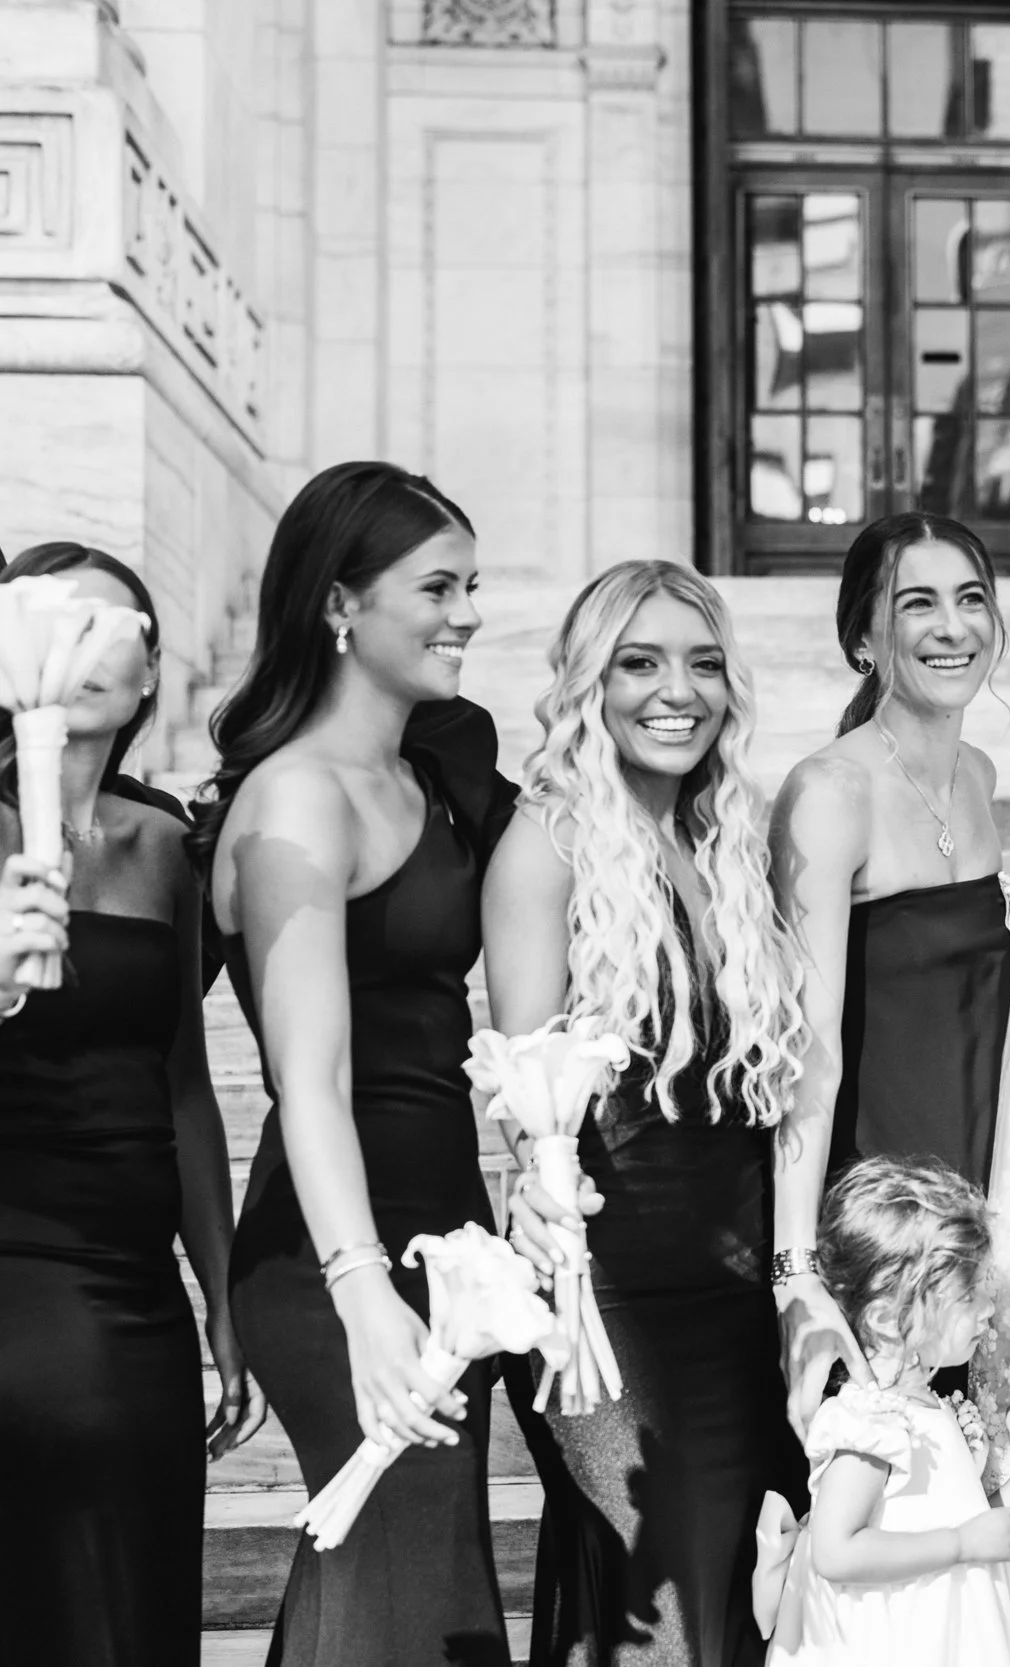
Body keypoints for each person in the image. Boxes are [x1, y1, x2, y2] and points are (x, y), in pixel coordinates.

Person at [206, 461, 520, 1665]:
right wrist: (360, 1290)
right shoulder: (296, 799)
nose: (468, 614)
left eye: (473, 584)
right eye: (437, 586)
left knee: (394, 1584)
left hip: (448, 1237)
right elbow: (309, 1079)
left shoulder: (427, 778)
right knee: (401, 1596)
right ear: (340, 604)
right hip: (335, 1253)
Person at [482, 561, 810, 1666]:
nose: (678, 690)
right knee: (662, 1616)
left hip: (738, 1306)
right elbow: (525, 1096)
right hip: (607, 1303)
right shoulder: (548, 843)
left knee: (740, 1607)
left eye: (703, 663)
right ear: (590, 682)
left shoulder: (728, 844)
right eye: (640, 661)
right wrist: (546, 1206)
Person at [0, 545, 264, 1665]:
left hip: (135, 1285)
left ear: (154, 674)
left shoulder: (166, 844)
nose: (89, 643)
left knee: (137, 1598)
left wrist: (221, 1293)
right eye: (61, 619)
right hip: (13, 1255)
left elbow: (188, 1088)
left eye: (117, 625)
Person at [770, 512, 1010, 1436]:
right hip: (886, 1216)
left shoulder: (981, 777)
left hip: (986, 1195)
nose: (953, 626)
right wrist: (798, 1270)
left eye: (972, 599)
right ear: (864, 639)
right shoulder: (829, 792)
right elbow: (807, 1047)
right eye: (919, 603)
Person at [752, 1156, 1010, 1665]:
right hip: (898, 1639)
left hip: (951, 1632)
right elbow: (836, 1551)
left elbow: (977, 1527)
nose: (988, 1308)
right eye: (969, 1293)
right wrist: (960, 1544)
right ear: (889, 1319)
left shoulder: (930, 1408)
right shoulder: (870, 1421)